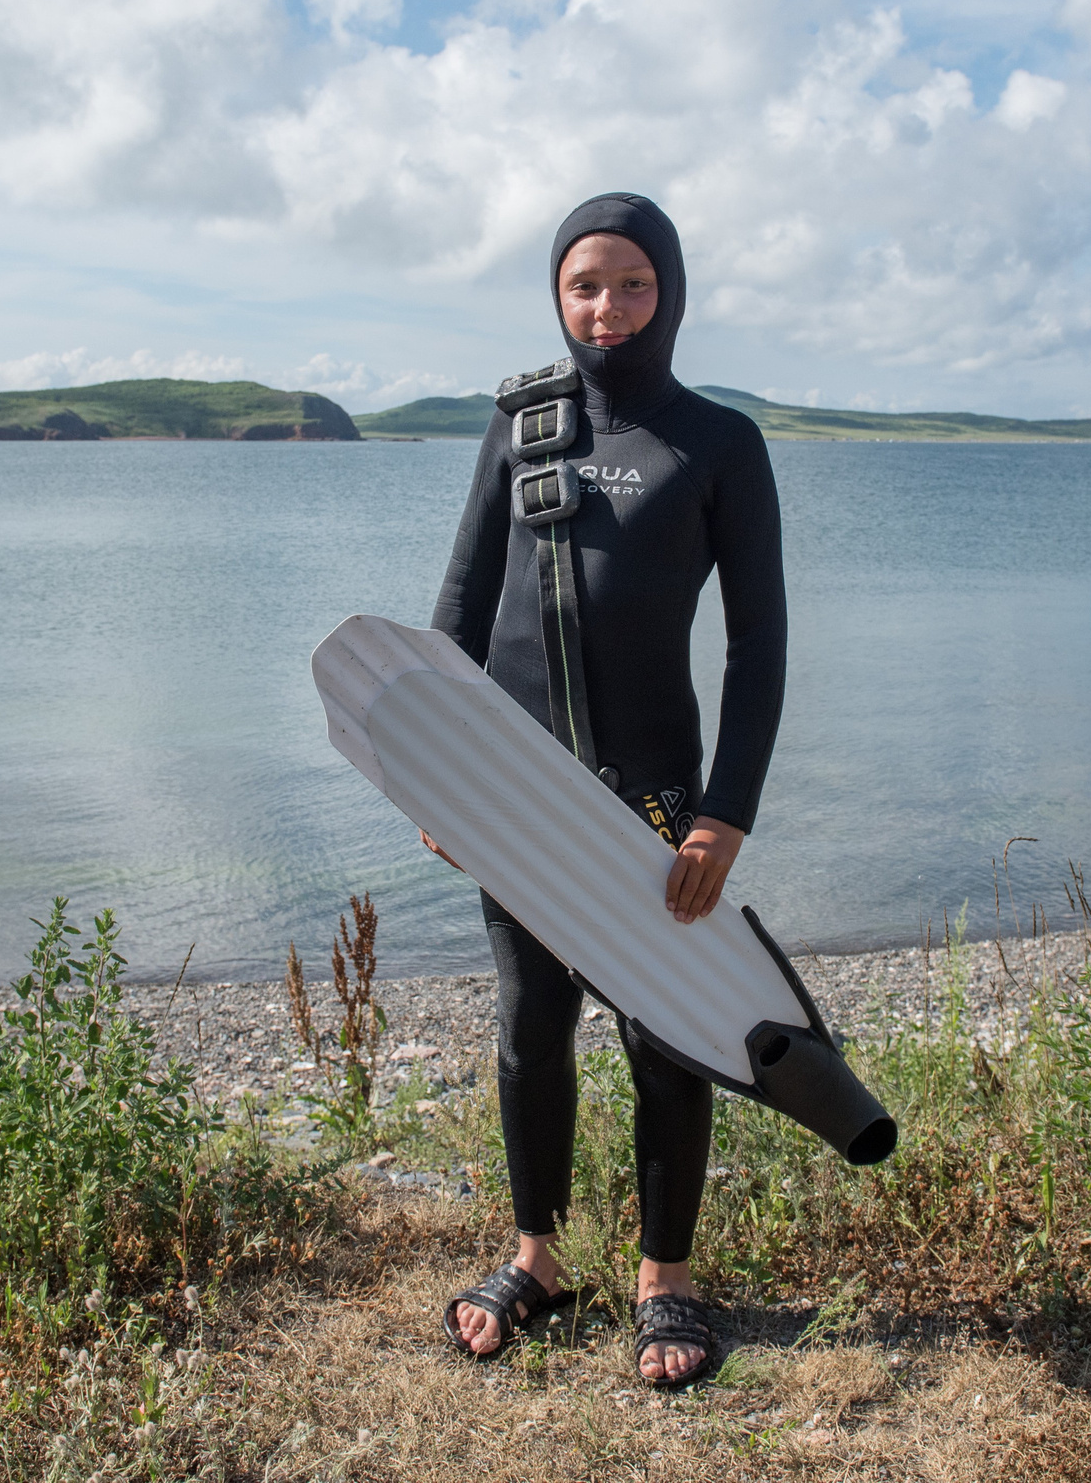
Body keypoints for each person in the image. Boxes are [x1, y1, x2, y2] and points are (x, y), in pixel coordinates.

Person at [423, 193, 787, 1389]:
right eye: (585, 284)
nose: (607, 306)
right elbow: (461, 607)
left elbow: (758, 644)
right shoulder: (519, 424)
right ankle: (534, 1256)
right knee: (530, 1019)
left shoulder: (717, 442)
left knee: (663, 1030)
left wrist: (723, 812)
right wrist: (434, 768)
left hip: (653, 792)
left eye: (632, 282)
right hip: (513, 785)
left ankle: (663, 1277)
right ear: (556, 292)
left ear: (667, 290)